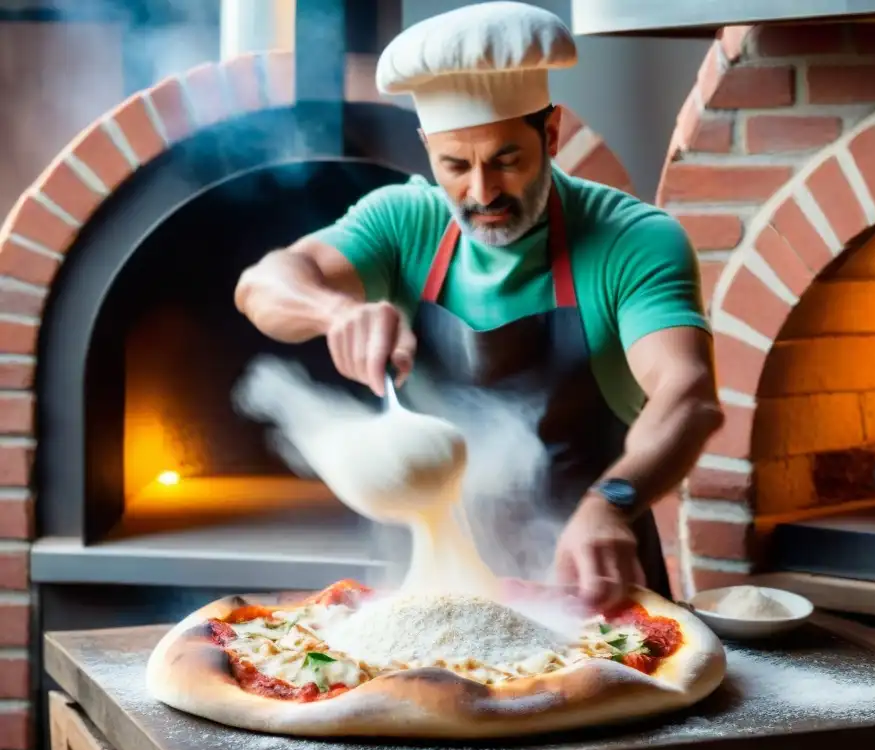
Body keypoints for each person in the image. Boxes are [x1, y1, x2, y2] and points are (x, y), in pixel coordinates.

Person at [234, 1, 723, 610]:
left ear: (549, 134)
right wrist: (335, 311)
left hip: (591, 582)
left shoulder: (632, 239)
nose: (481, 191)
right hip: (432, 589)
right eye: (455, 166)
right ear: (427, 151)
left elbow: (689, 393)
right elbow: (261, 284)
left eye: (506, 161)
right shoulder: (404, 220)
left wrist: (612, 502)